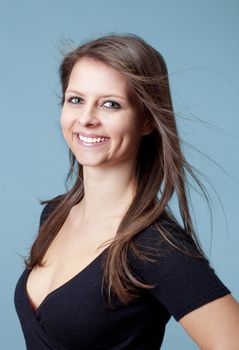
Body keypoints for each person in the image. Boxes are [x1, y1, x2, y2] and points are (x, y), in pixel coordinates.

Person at [14, 33, 239, 350]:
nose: (87, 118)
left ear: (146, 120)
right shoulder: (55, 215)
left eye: (110, 104)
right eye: (76, 99)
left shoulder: (155, 245)